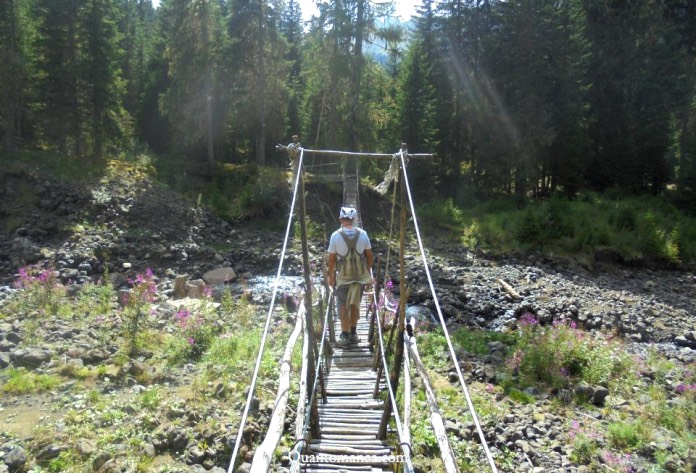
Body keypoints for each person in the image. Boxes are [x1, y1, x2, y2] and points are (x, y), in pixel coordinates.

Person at [327, 206, 374, 346]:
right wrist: (366, 272)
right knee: (355, 305)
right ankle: (354, 333)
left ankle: (344, 335)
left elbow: (331, 260)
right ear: (353, 219)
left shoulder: (335, 236)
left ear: (341, 219)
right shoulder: (363, 234)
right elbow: (369, 257)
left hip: (343, 278)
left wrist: (331, 278)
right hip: (359, 278)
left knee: (343, 306)